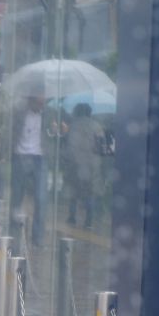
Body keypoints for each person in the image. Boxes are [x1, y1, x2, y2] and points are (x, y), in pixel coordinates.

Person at [10, 95, 62, 247]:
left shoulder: (49, 114)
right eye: (39, 101)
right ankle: (14, 232)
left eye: (43, 101)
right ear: (31, 99)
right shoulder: (19, 112)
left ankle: (37, 238)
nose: (42, 104)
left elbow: (54, 134)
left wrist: (57, 130)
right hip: (20, 156)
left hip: (40, 158)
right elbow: (11, 131)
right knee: (16, 197)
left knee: (41, 198)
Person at [63, 102, 105, 230]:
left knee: (73, 191)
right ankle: (88, 221)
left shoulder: (72, 125)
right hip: (92, 164)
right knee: (90, 193)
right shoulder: (97, 126)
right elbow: (102, 145)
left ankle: (72, 217)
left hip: (75, 164)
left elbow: (67, 144)